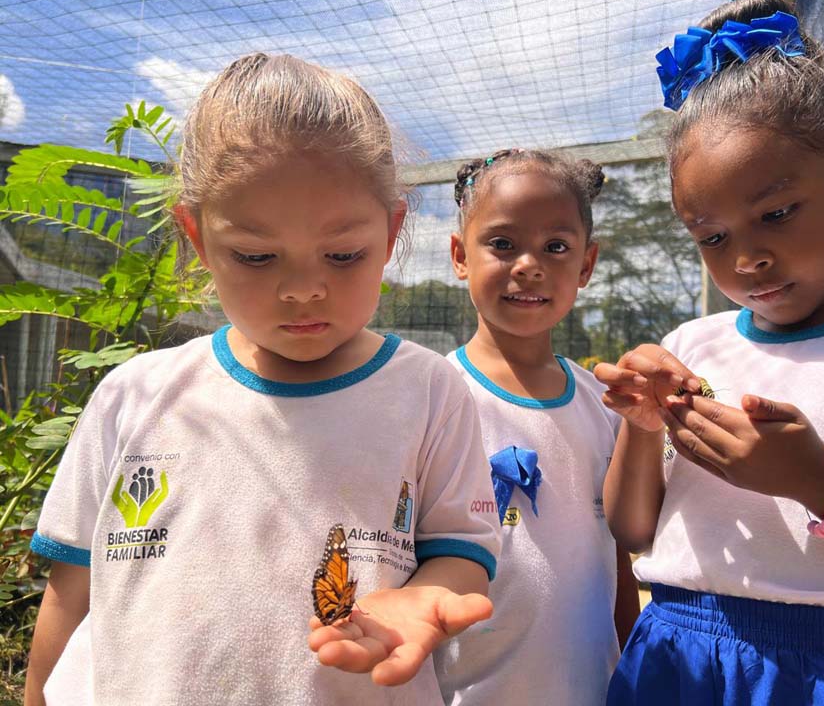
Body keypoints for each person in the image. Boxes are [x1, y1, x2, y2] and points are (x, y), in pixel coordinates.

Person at [25, 53, 502, 706]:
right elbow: (72, 589)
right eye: (255, 255)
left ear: (391, 233)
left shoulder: (427, 391)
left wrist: (421, 595)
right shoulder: (134, 395)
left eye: (343, 255)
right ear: (195, 235)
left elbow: (465, 554)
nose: (304, 289)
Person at [597, 0, 824, 705]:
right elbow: (632, 527)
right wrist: (643, 432)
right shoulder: (691, 347)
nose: (747, 259)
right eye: (711, 236)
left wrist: (819, 481)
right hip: (676, 664)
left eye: (776, 214)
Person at [434, 148, 640, 706]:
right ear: (459, 255)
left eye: (556, 247)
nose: (529, 264)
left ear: (587, 265)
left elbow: (615, 557)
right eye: (502, 244)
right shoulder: (433, 399)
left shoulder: (606, 404)